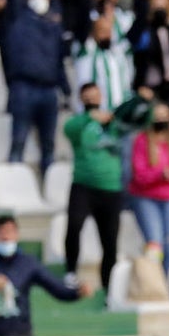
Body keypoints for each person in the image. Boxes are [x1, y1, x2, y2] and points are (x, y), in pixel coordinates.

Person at [62, 82, 129, 291]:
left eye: (95, 95)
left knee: (110, 241)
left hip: (110, 188)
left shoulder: (114, 122)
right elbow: (69, 129)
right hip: (83, 185)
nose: (92, 99)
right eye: (87, 96)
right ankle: (71, 271)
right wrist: (90, 117)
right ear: (82, 99)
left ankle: (109, 286)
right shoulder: (78, 123)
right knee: (74, 226)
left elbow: (135, 119)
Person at [4, 0, 69, 180]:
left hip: (49, 89)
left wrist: (65, 89)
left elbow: (58, 60)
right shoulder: (18, 21)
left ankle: (48, 185)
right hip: (24, 87)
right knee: (19, 139)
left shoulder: (53, 26)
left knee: (48, 143)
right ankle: (13, 185)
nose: (40, 0)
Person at [129, 101, 169, 275]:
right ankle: (152, 281)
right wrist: (160, 174)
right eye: (157, 117)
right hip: (146, 197)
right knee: (155, 243)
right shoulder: (141, 140)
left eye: (165, 117)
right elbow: (139, 175)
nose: (161, 121)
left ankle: (167, 283)